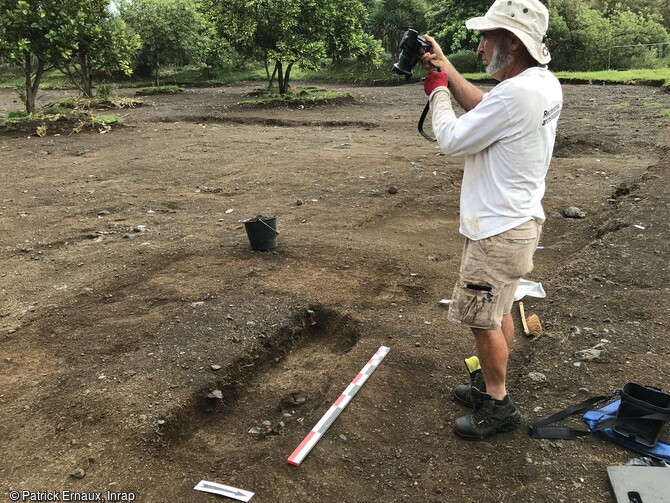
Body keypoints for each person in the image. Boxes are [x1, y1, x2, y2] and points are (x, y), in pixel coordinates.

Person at [420, 0, 563, 440]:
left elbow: (452, 138)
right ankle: (490, 382)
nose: (480, 47)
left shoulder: (517, 93)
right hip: (516, 224)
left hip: (497, 231)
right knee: (497, 307)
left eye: (488, 37)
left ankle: (498, 404)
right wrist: (445, 67)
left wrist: (438, 90)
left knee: (482, 318)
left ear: (513, 44)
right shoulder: (540, 84)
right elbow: (487, 105)